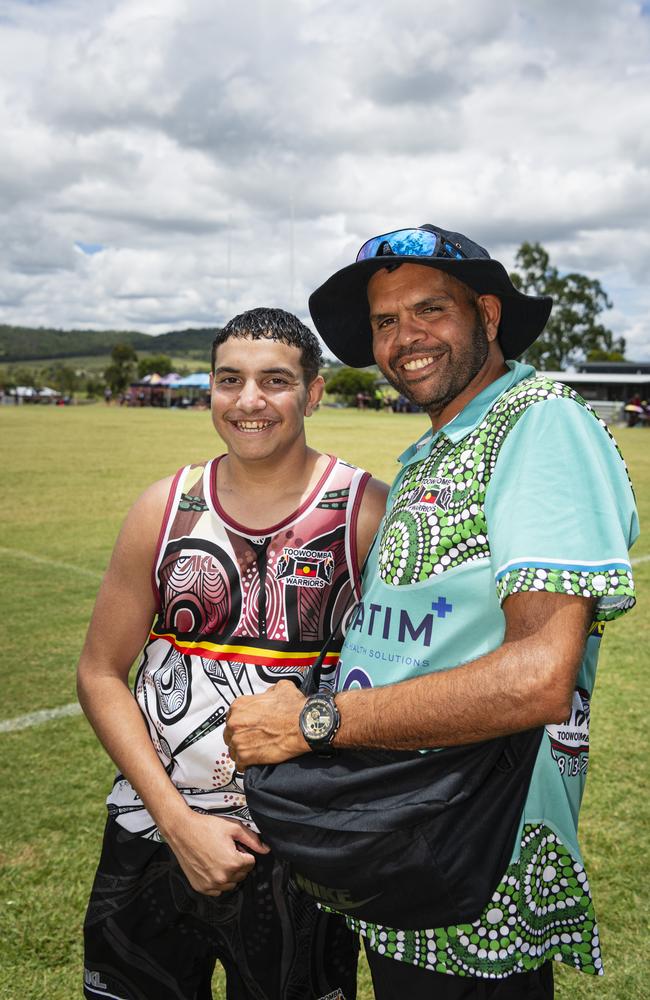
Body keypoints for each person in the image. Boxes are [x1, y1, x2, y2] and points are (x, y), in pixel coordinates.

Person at [224, 227, 639, 999]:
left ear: (486, 312)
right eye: (385, 322)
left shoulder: (539, 424)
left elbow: (536, 678)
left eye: (429, 310)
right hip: (401, 836)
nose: (404, 338)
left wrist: (314, 723)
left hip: (475, 863)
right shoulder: (434, 448)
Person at [77, 307, 388, 1000]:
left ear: (313, 393)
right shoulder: (164, 508)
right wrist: (177, 822)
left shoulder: (365, 513)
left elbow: (399, 685)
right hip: (152, 831)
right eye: (229, 380)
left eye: (274, 381)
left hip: (300, 846)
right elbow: (100, 673)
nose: (248, 401)